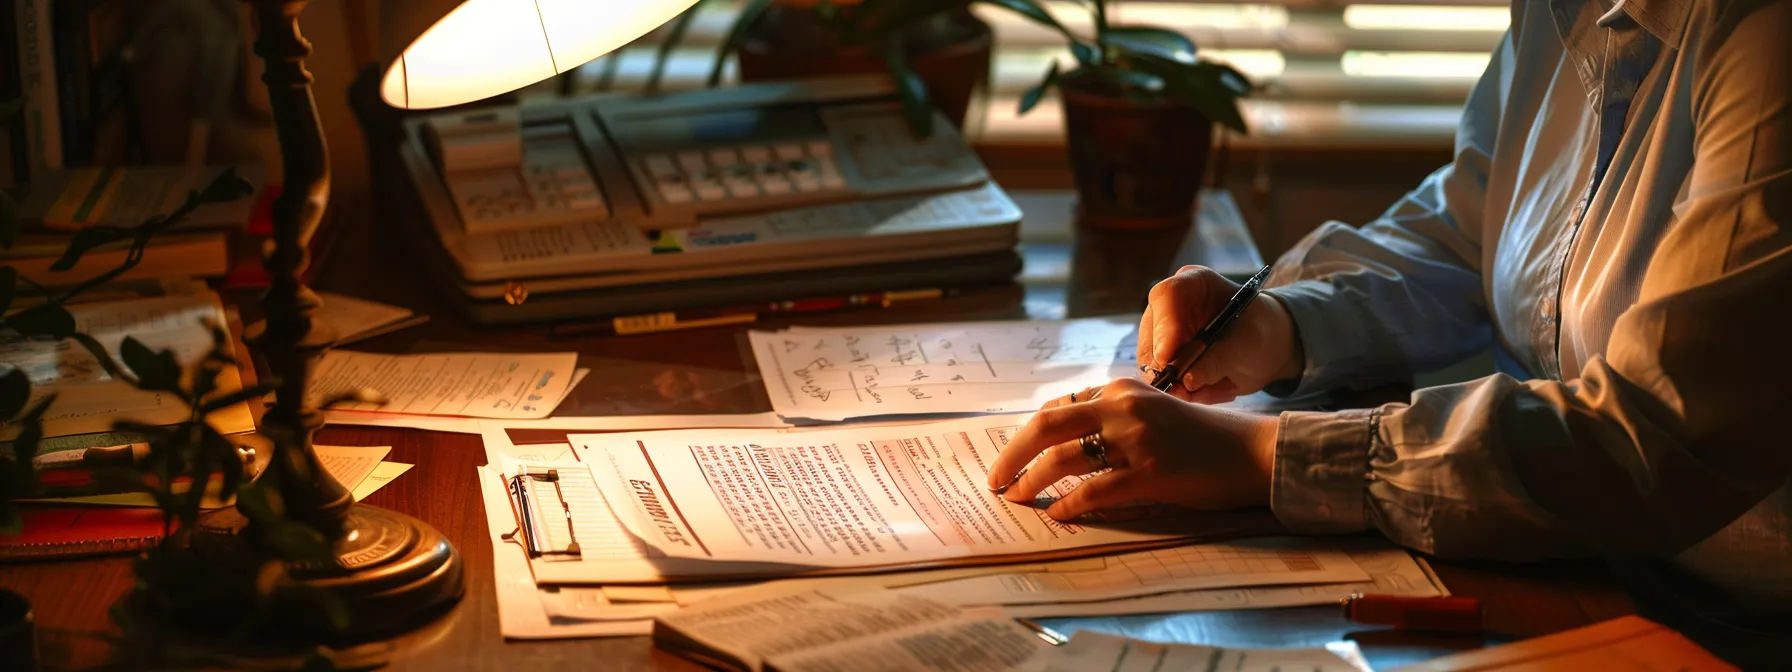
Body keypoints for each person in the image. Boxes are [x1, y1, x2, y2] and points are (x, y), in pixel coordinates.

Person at [986, 0, 1792, 658]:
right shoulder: (1562, 11)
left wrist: (1255, 454)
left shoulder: (1766, 39)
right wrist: (1279, 323)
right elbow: (1472, 226)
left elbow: (1655, 434)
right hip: (1572, 564)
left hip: (1729, 626)